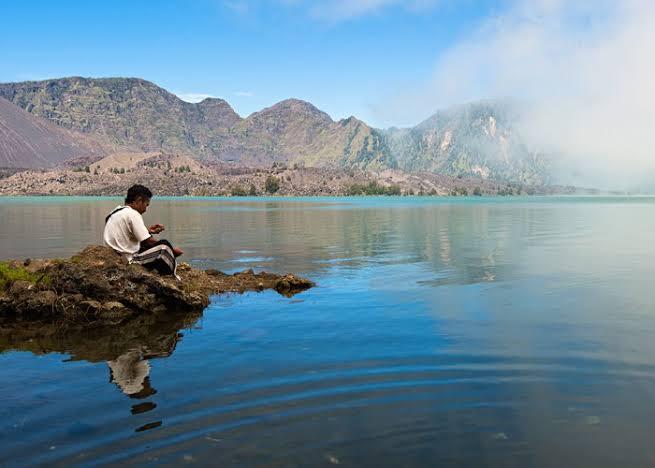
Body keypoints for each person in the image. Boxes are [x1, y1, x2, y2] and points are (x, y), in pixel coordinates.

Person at [103, 184, 183, 276]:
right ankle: (172, 276)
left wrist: (147, 231)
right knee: (164, 247)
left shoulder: (114, 213)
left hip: (115, 256)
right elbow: (148, 242)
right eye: (146, 205)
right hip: (128, 259)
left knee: (151, 246)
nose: (146, 209)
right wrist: (172, 251)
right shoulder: (133, 214)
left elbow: (125, 235)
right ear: (139, 201)